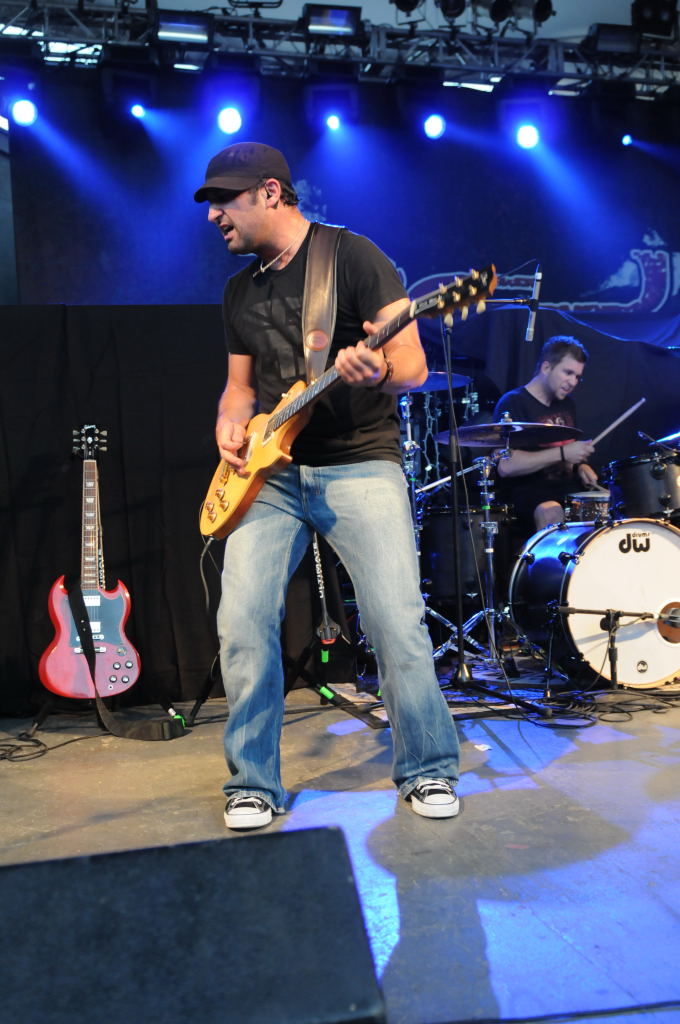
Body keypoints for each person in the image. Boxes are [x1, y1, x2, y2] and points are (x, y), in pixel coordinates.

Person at [194, 141, 461, 831]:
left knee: (394, 619)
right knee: (242, 622)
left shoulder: (353, 256)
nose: (214, 214)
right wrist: (230, 424)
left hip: (359, 461)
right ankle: (252, 783)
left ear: (271, 192)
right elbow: (239, 389)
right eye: (210, 202)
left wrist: (377, 370)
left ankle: (428, 768)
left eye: (225, 199)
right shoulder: (239, 290)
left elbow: (412, 365)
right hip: (272, 474)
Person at [493, 336, 598, 538]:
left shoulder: (567, 404)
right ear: (546, 367)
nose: (573, 382)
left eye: (577, 376)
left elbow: (569, 451)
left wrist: (581, 466)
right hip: (529, 492)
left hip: (567, 489)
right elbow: (506, 467)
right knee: (551, 510)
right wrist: (563, 453)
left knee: (612, 502)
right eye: (568, 373)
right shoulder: (513, 403)